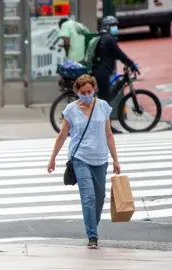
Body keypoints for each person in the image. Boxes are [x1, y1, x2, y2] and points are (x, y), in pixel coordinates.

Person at [47, 75, 121, 249]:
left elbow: (109, 134)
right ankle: (92, 236)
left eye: (90, 91)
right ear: (77, 92)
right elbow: (63, 135)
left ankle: (91, 224)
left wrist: (115, 159)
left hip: (100, 158)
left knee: (99, 197)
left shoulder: (103, 107)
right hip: (80, 158)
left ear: (94, 89)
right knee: (88, 197)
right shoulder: (71, 110)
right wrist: (53, 158)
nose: (87, 95)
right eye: (83, 92)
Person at [91, 16, 139, 133]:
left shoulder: (104, 37)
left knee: (105, 99)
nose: (115, 28)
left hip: (100, 70)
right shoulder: (108, 39)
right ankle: (107, 128)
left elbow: (117, 55)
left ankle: (104, 126)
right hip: (102, 71)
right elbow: (120, 54)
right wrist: (132, 64)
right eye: (113, 26)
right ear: (107, 26)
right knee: (105, 101)